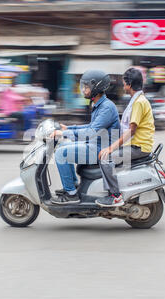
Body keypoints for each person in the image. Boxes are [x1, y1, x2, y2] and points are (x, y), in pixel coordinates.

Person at [49, 70, 120, 205]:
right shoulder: (99, 105)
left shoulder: (106, 108)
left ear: (96, 87)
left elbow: (90, 132)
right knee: (62, 146)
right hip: (95, 144)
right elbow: (90, 126)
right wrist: (69, 129)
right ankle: (74, 186)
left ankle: (71, 194)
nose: (83, 89)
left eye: (86, 87)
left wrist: (63, 134)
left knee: (60, 154)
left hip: (100, 149)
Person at [96, 67, 155, 207]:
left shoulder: (139, 102)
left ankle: (115, 196)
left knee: (106, 157)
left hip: (139, 147)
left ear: (129, 84)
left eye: (124, 83)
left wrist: (111, 148)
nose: (123, 86)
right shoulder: (137, 100)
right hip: (136, 145)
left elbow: (131, 131)